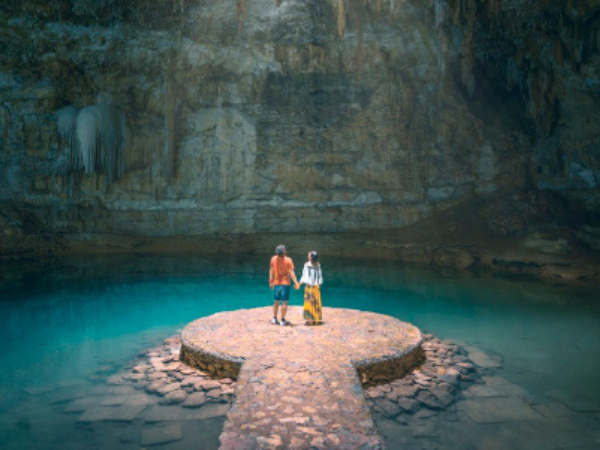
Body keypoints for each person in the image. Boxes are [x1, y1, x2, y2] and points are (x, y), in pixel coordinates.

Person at [269, 244, 300, 326]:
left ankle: (274, 318)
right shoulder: (288, 260)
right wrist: (296, 283)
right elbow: (291, 273)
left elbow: (271, 270)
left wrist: (270, 281)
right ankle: (282, 320)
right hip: (285, 284)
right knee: (284, 303)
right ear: (284, 252)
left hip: (276, 283)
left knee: (276, 301)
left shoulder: (273, 259)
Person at [299, 251, 323, 326]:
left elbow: (304, 277)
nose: (307, 256)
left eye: (309, 256)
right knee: (316, 302)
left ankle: (310, 320)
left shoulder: (307, 265)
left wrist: (299, 284)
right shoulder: (318, 265)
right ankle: (316, 319)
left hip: (309, 287)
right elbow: (320, 277)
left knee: (309, 302)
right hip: (316, 287)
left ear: (311, 258)